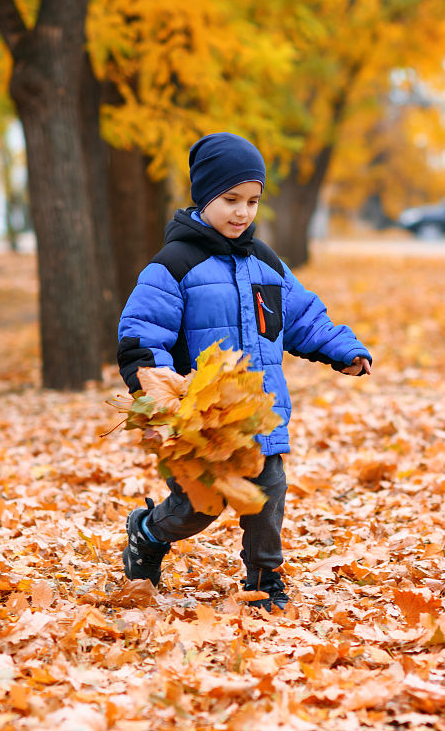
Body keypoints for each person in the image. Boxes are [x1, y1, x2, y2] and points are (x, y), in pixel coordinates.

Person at [116, 132, 372, 611]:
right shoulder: (173, 265)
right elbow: (141, 335)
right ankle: (148, 533)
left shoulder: (265, 264)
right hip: (202, 423)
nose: (242, 212)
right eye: (230, 199)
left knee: (268, 496)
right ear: (204, 196)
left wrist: (342, 349)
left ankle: (263, 581)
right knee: (198, 508)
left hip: (261, 416)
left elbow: (302, 318)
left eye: (252, 201)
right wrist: (161, 392)